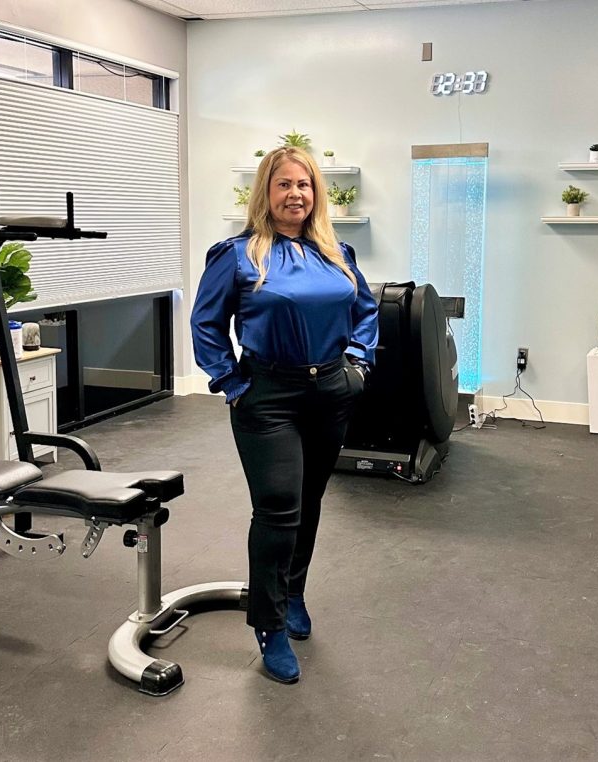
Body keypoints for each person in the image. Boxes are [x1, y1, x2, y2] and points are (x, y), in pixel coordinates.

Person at [190, 146, 378, 683]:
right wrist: (230, 381)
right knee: (277, 506)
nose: (295, 193)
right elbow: (207, 323)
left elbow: (364, 311)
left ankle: (293, 592)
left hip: (330, 391)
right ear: (266, 194)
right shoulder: (238, 255)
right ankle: (270, 626)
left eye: (305, 184)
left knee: (308, 501)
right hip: (267, 395)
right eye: (283, 185)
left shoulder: (338, 253)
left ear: (316, 193)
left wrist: (358, 366)